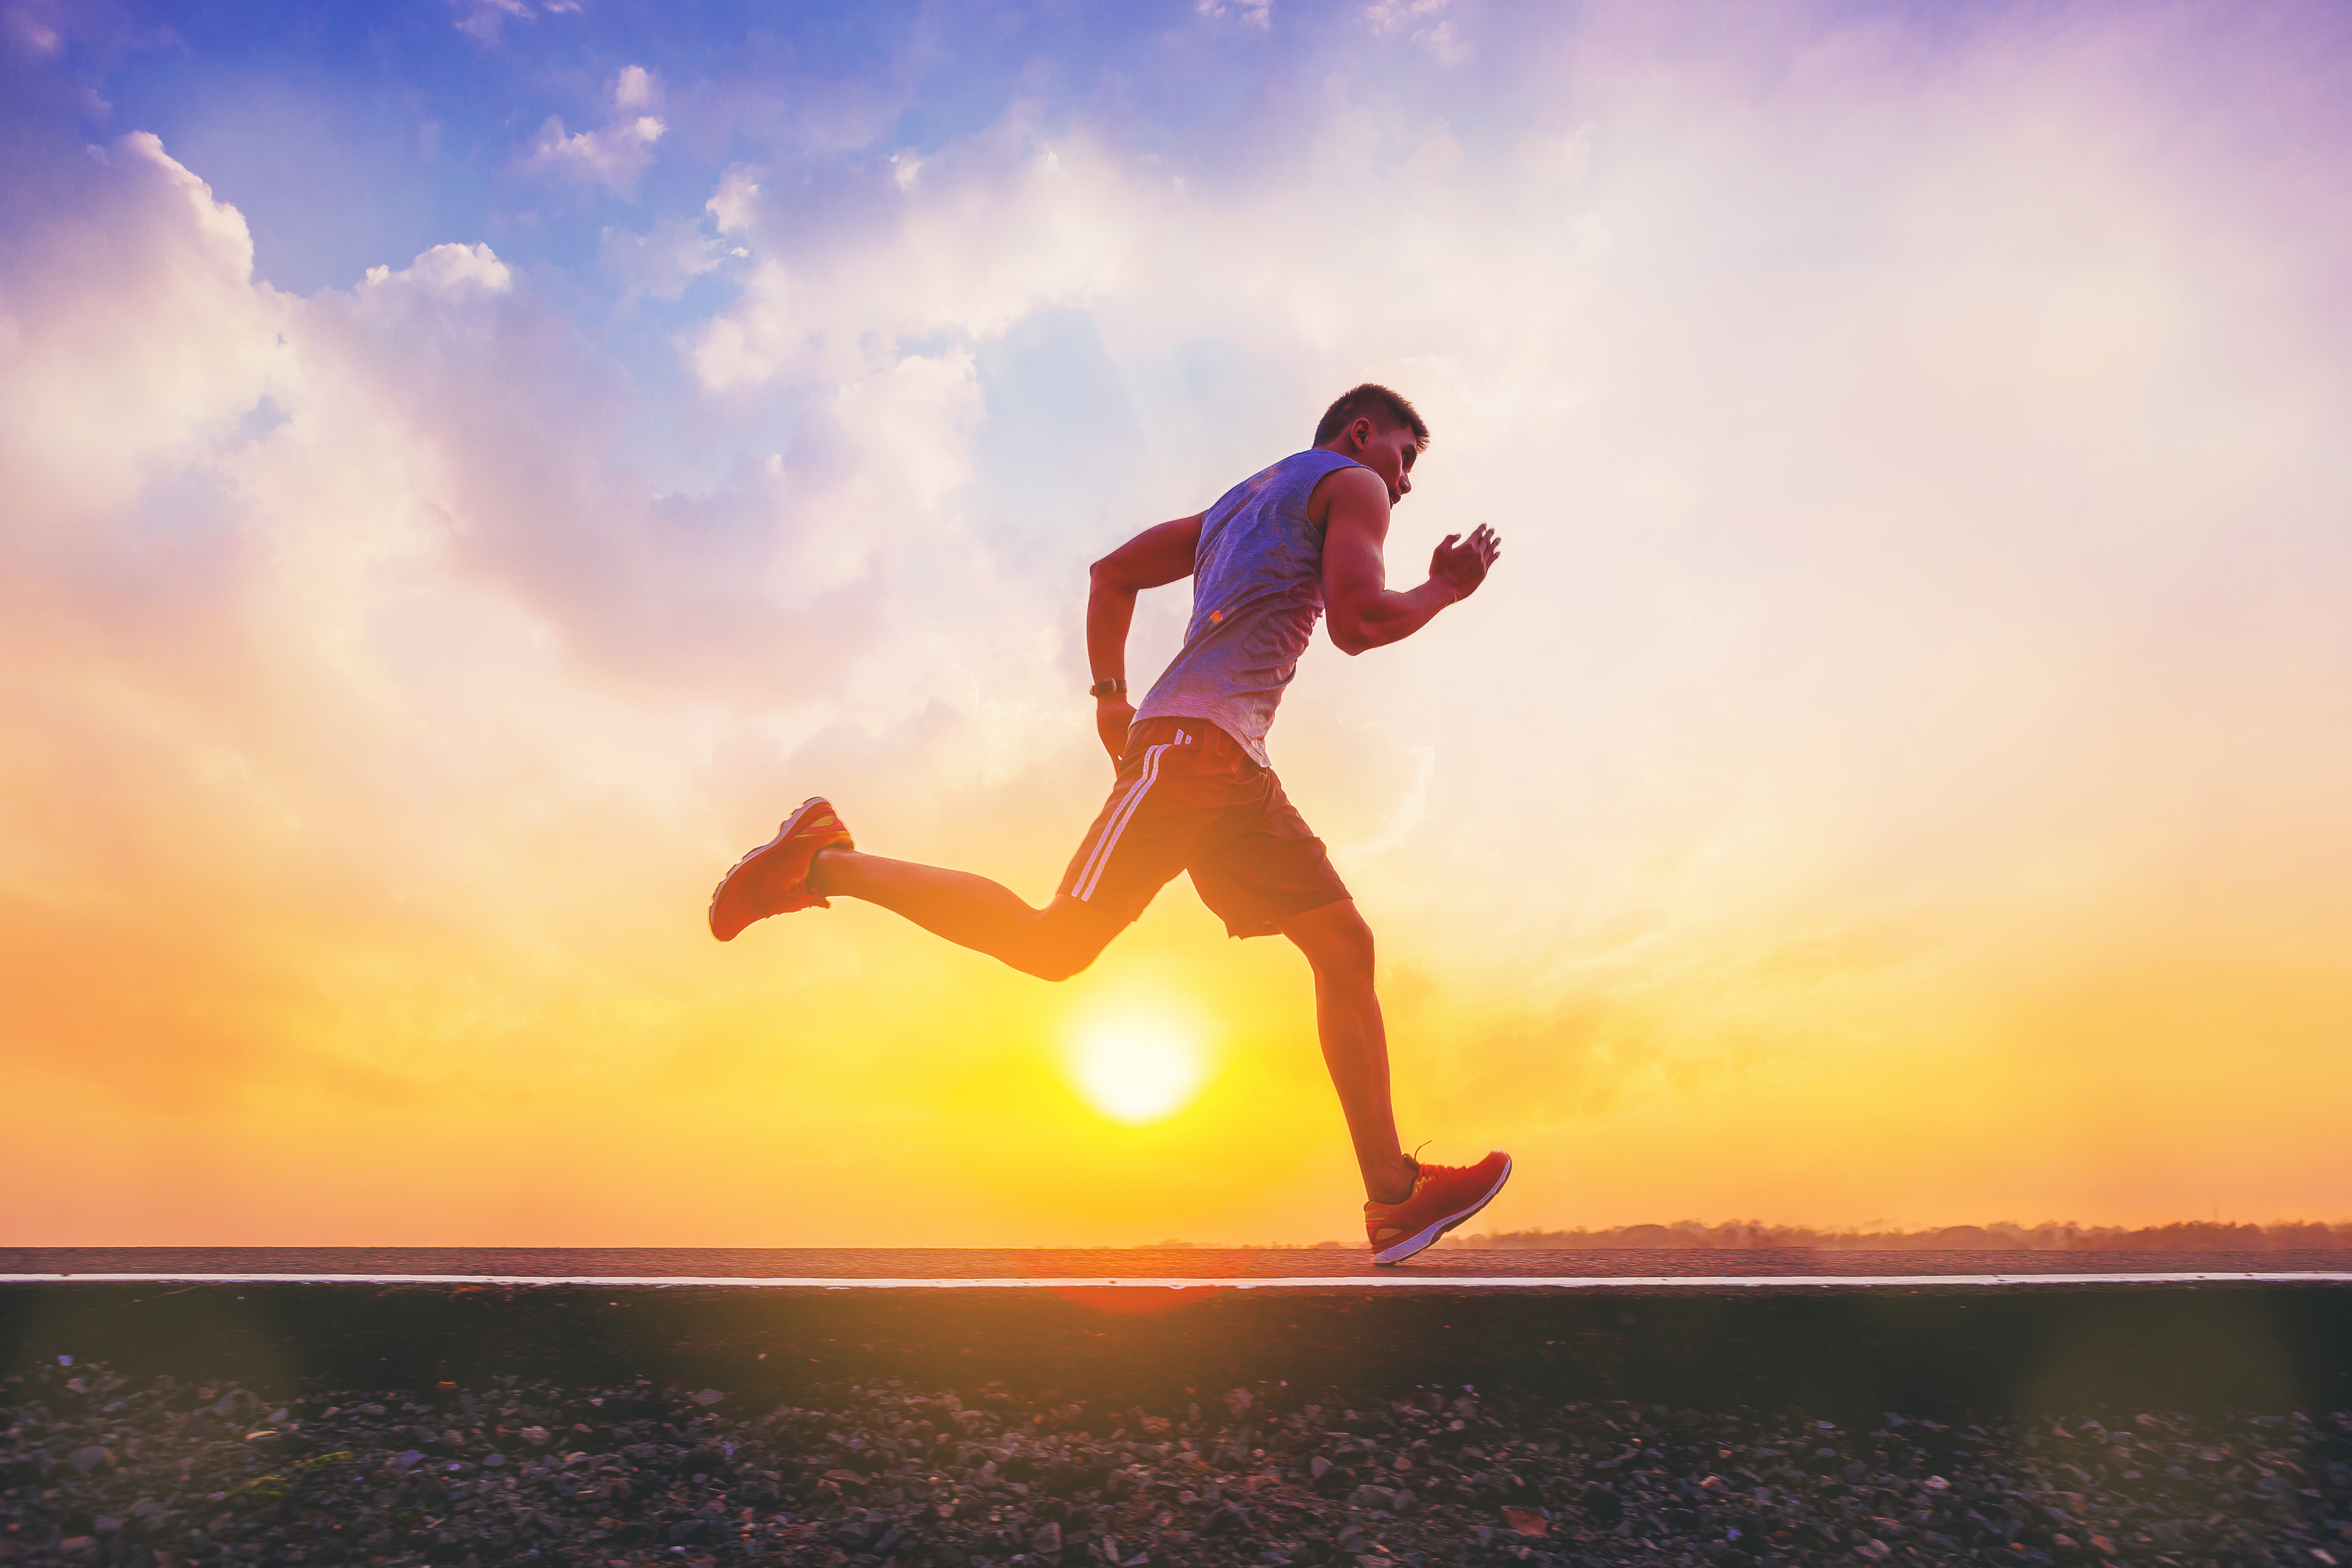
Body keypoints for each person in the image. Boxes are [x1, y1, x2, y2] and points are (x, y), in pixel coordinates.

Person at [709, 384, 1510, 1265]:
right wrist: (1445, 587)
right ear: (1363, 435)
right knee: (1056, 944)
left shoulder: (1239, 503)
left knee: (1342, 946)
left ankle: (1393, 1196)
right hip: (1196, 753)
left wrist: (1108, 700)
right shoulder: (1348, 486)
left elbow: (1112, 575)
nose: (1400, 489)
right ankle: (824, 860)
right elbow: (1359, 623)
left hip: (1229, 763)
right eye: (1403, 460)